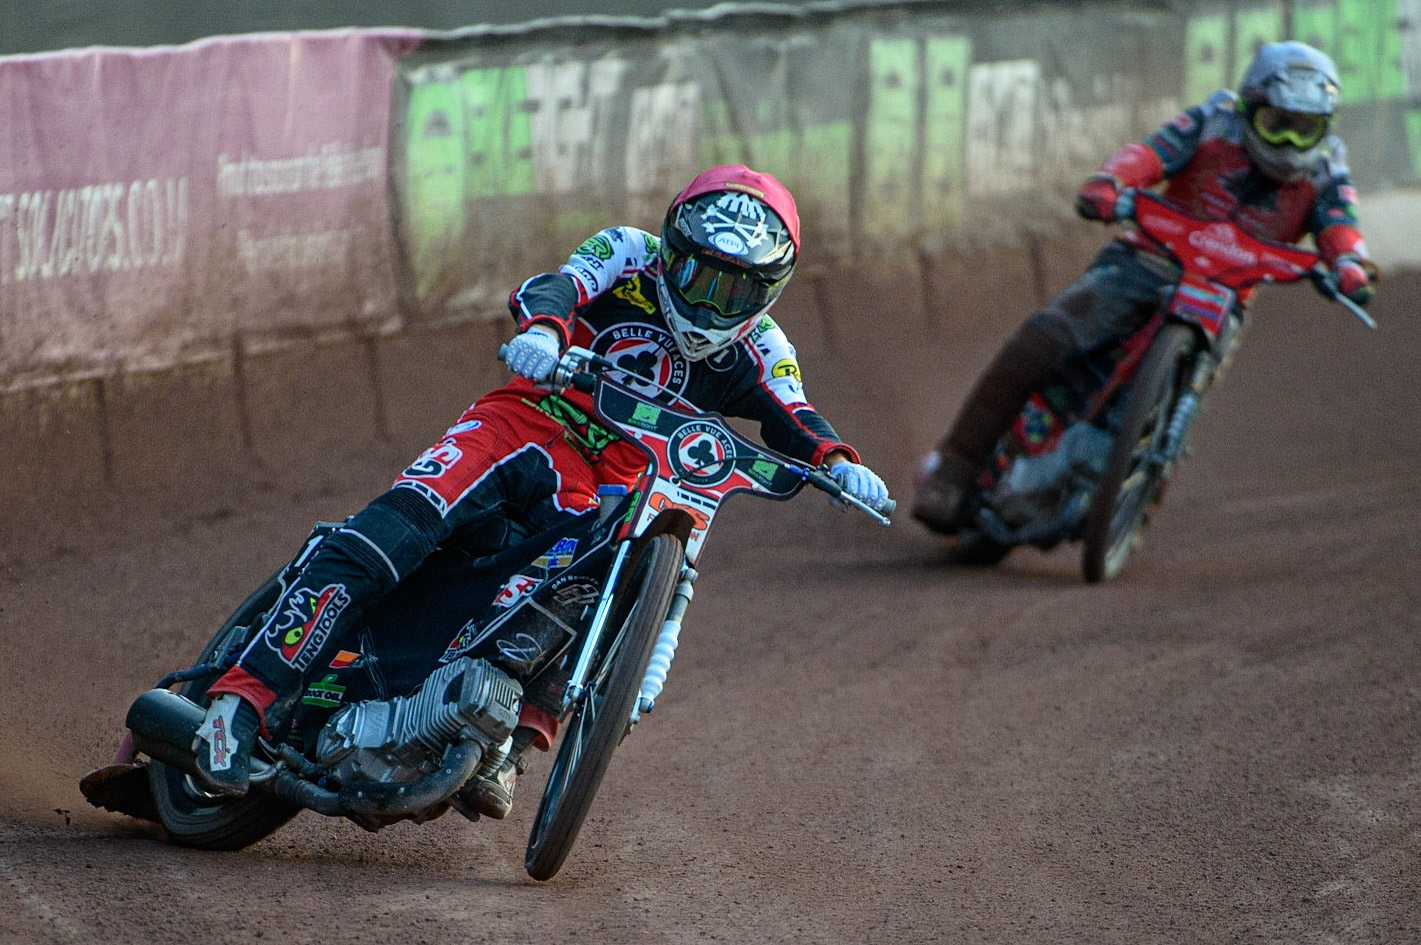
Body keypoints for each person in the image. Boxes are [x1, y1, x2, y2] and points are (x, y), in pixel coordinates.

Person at [190, 164, 893, 814]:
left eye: (733, 289)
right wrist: (547, 333)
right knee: (396, 529)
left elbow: (795, 416)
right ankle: (236, 703)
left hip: (611, 484)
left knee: (596, 597)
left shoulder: (765, 347)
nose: (710, 301)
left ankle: (510, 743)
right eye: (698, 275)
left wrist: (837, 461)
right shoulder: (627, 250)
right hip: (525, 424)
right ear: (671, 247)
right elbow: (555, 286)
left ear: (767, 292)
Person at [912, 41, 1378, 534]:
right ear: (1249, 108)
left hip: (1223, 298)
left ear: (1326, 128)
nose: (1287, 143)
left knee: (1181, 404)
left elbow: (1340, 224)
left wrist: (1350, 264)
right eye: (1276, 123)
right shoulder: (1214, 121)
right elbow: (1152, 153)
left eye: (1304, 128)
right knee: (1047, 335)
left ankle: (1137, 500)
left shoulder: (1327, 169)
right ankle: (954, 469)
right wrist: (1111, 182)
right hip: (1148, 261)